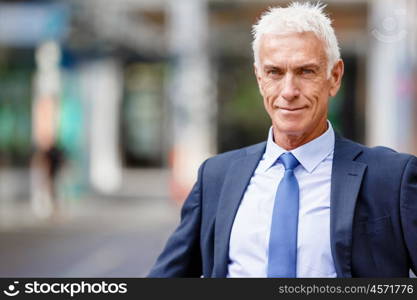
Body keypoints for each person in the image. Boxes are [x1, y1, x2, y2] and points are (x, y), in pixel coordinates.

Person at [148, 2, 417, 277]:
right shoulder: (216, 177)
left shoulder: (392, 178)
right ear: (259, 78)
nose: (288, 91)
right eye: (275, 72)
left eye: (306, 71)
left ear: (334, 77)